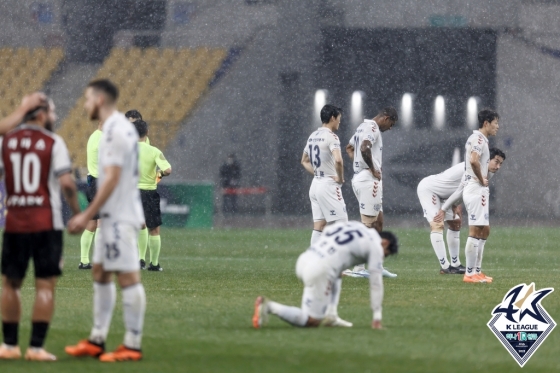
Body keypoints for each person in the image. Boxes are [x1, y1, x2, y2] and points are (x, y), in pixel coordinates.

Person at [65, 79, 146, 362]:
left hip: (120, 215)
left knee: (127, 277)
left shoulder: (114, 131)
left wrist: (86, 214)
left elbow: (110, 180)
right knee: (100, 272)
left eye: (87, 99)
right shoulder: (113, 130)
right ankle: (97, 339)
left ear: (99, 100)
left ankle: (132, 345)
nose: (85, 105)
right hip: (113, 215)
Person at [0, 97, 80, 361]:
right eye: (52, 111)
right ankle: (35, 348)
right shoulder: (53, 142)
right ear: (42, 114)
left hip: (14, 223)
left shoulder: (6, 141)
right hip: (47, 223)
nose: (54, 116)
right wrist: (78, 213)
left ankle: (9, 346)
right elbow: (67, 184)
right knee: (45, 286)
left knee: (11, 284)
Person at [252, 221, 398, 330]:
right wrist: (377, 317)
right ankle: (269, 306)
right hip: (320, 269)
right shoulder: (376, 245)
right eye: (386, 254)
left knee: (338, 274)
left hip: (306, 259)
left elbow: (328, 229)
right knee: (312, 321)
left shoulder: (357, 226)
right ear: (384, 243)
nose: (383, 258)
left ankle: (332, 315)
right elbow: (376, 283)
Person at [419, 148, 506, 274]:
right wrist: (445, 208)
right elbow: (461, 189)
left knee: (456, 223)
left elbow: (464, 189)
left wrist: (455, 204)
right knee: (437, 224)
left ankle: (455, 264)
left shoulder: (488, 172)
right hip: (430, 189)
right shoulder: (472, 169)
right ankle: (445, 266)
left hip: (448, 196)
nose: (498, 167)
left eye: (500, 164)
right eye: (496, 162)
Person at [344, 107, 398, 278]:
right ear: (386, 118)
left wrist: (358, 165)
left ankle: (376, 266)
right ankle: (358, 268)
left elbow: (349, 148)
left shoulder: (361, 127)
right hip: (368, 180)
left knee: (378, 222)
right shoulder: (373, 128)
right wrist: (371, 169)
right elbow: (364, 147)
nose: (390, 128)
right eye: (391, 124)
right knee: (367, 225)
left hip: (363, 177)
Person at [458, 109, 500, 283]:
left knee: (482, 229)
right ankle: (469, 274)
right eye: (496, 123)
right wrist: (481, 178)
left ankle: (475, 271)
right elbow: (474, 160)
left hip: (478, 189)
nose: (497, 127)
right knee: (475, 229)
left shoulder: (481, 139)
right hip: (475, 189)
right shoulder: (478, 139)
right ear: (486, 123)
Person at [301, 104, 346, 246]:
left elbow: (304, 161)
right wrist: (340, 178)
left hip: (315, 185)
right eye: (339, 118)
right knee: (342, 226)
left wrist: (319, 172)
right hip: (328, 185)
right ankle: (339, 267)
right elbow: (338, 160)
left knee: (319, 226)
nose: (340, 121)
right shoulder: (332, 137)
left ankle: (313, 264)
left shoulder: (313, 135)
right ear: (333, 118)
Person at [133, 119, 172, 271]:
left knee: (137, 226)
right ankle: (154, 264)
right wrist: (159, 174)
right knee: (153, 228)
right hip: (148, 192)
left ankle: (138, 260)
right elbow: (168, 170)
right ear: (147, 133)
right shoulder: (154, 150)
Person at [78, 121, 103, 269]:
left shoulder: (94, 136)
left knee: (93, 222)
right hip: (100, 183)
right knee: (102, 222)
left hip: (93, 182)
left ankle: (84, 260)